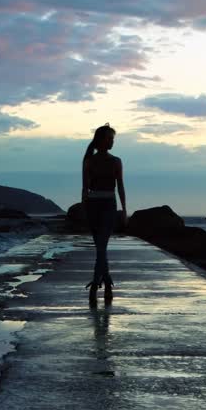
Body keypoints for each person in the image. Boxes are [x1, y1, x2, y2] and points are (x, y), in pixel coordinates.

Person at [81, 123, 127, 301]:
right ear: (100, 140)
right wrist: (85, 209)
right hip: (93, 205)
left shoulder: (116, 161)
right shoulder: (89, 161)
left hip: (109, 204)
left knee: (102, 246)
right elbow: (84, 188)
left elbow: (121, 186)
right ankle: (107, 281)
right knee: (100, 248)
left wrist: (124, 209)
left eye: (113, 139)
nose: (112, 142)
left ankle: (95, 283)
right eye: (109, 138)